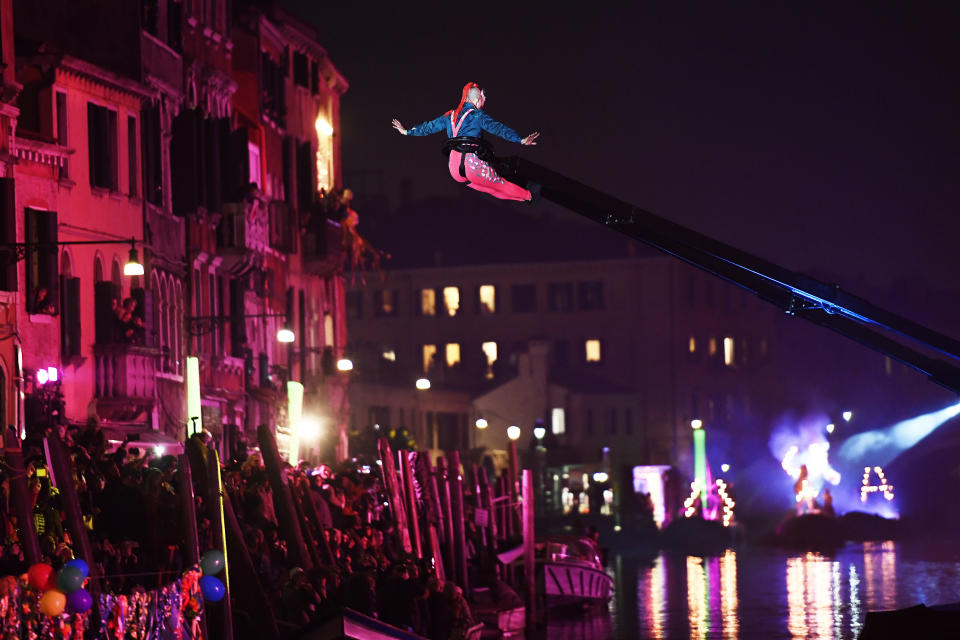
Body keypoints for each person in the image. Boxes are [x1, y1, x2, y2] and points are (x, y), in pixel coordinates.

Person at [392, 82, 539, 202]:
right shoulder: (476, 115)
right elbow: (497, 128)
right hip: (472, 166)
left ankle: (524, 198)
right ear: (476, 100)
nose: (483, 103)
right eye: (482, 99)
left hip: (454, 169)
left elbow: (429, 127)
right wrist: (520, 139)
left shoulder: (449, 116)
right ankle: (530, 195)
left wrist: (407, 131)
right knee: (500, 184)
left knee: (491, 189)